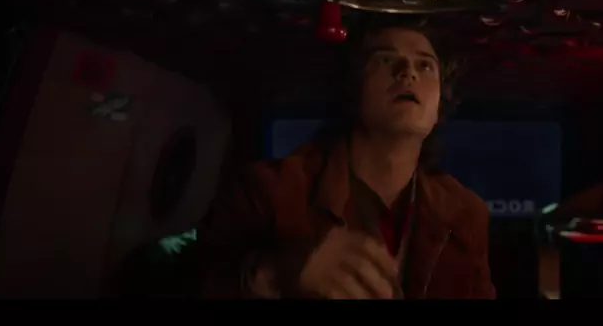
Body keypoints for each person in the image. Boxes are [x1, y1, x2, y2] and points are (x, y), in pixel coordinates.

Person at [196, 17, 495, 299]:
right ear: (354, 87)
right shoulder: (269, 190)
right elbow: (193, 283)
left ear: (440, 103)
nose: (408, 72)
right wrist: (277, 274)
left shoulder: (465, 214)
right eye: (385, 59)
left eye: (425, 65)